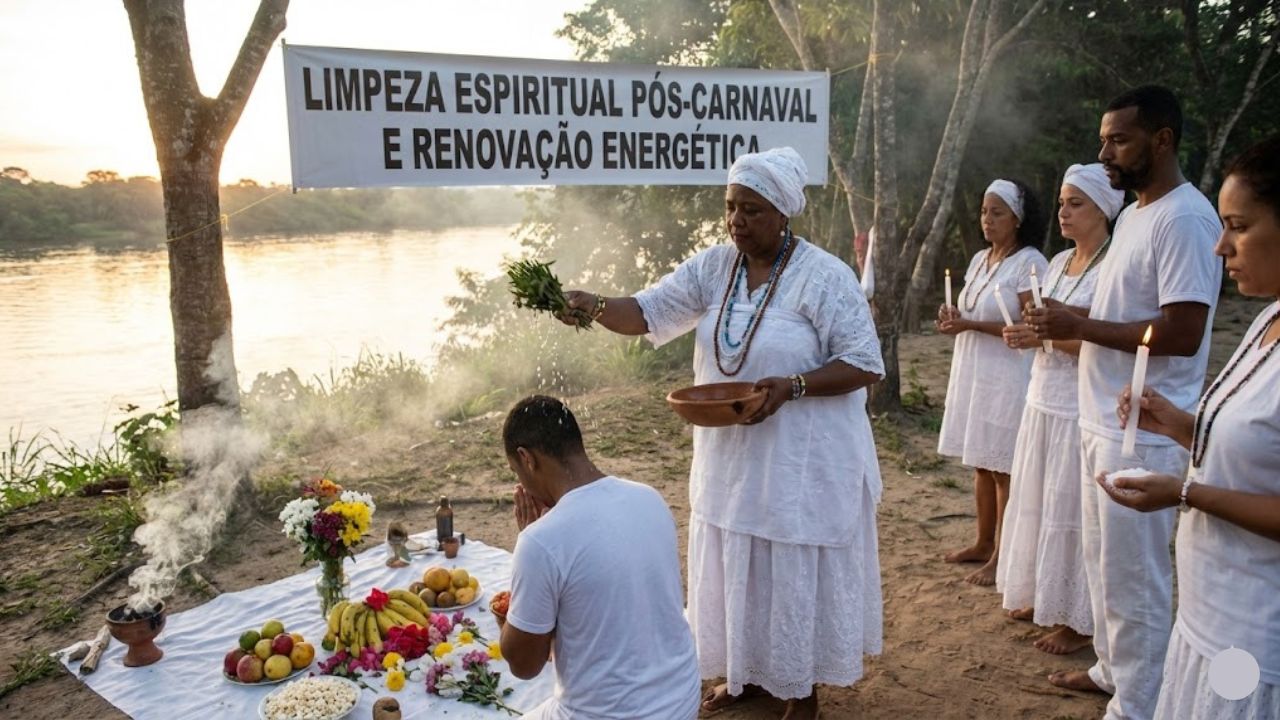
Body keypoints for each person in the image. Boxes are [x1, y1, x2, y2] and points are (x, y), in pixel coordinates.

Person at [558, 147, 885, 720]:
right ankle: (744, 677)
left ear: (783, 213)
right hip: (730, 459)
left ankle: (800, 695)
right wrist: (595, 305)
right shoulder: (714, 267)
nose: (736, 221)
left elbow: (864, 362)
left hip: (799, 465)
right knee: (738, 561)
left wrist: (795, 385)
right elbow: (649, 311)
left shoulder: (824, 275)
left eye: (751, 210)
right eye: (731, 208)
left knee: (788, 566)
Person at [1026, 85, 1222, 719]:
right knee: (1102, 561)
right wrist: (1067, 315)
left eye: (1119, 139)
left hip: (1145, 425)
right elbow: (1122, 315)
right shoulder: (1136, 212)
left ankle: (1138, 704)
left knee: (1135, 577)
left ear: (1162, 140)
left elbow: (1182, 331)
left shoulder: (1187, 217)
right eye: (1103, 138)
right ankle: (1114, 669)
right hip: (1101, 415)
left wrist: (1079, 328)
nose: (1104, 151)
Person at [1101, 135, 1280, 719]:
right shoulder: (1267, 320)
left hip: (1257, 632)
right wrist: (1176, 422)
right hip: (1210, 610)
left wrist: (1182, 493)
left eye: (1239, 225)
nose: (1220, 245)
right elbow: (1249, 446)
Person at [499, 395, 701, 720]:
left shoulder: (540, 541)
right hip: (682, 702)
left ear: (527, 459)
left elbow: (523, 666)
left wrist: (528, 544)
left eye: (515, 470)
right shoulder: (649, 497)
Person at [995, 163, 1122, 653]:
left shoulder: (1112, 269)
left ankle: (1078, 619)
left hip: (1080, 402)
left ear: (1104, 209)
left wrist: (1048, 335)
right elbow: (1049, 330)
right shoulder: (1055, 264)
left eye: (1077, 203)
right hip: (1041, 395)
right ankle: (1042, 594)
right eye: (1063, 202)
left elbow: (1106, 339)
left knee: (1072, 508)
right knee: (1040, 500)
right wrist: (1026, 335)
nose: (1064, 212)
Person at [936, 178, 1049, 586]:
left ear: (1017, 219)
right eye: (984, 211)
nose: (987, 219)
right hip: (975, 371)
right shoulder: (980, 260)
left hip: (1008, 374)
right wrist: (954, 317)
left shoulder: (1030, 262)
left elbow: (1033, 323)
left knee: (1005, 468)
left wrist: (969, 324)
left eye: (997, 212)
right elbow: (971, 306)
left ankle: (1004, 554)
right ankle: (983, 542)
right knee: (982, 463)